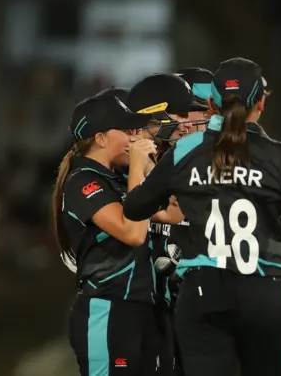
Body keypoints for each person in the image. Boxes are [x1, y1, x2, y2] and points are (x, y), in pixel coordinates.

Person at [122, 57, 281, 376]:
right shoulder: (278, 154)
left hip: (202, 290)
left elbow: (133, 208)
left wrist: (141, 167)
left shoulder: (185, 151)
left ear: (211, 103)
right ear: (262, 103)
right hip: (265, 291)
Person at [52, 94, 161, 376]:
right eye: (126, 131)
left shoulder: (122, 179)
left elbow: (175, 212)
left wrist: (149, 168)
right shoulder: (83, 182)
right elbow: (133, 232)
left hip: (140, 309)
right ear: (100, 138)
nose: (135, 137)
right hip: (107, 309)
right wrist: (137, 167)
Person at [126, 72, 207, 376]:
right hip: (146, 305)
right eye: (181, 113)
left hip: (184, 300)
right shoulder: (128, 165)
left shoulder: (189, 158)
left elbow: (177, 213)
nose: (190, 122)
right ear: (153, 115)